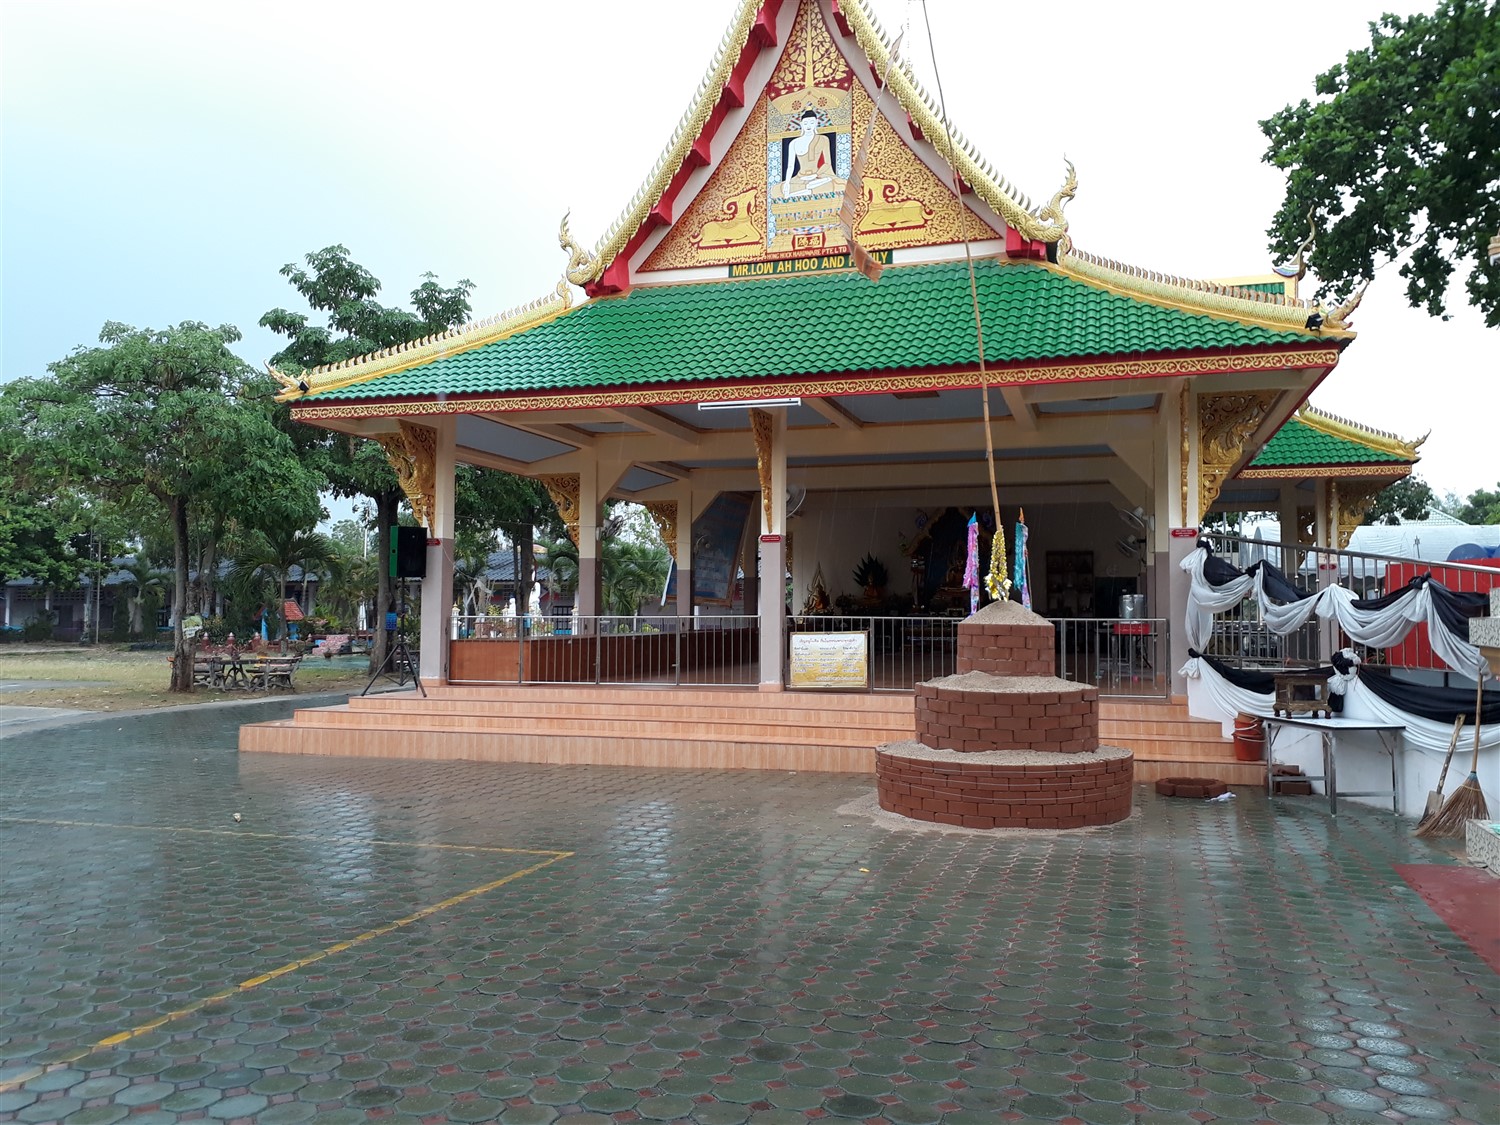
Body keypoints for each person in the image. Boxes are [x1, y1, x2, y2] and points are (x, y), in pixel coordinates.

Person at [782, 109, 835, 198]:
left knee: (834, 184)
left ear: (816, 122)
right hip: (800, 178)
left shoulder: (823, 139)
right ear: (801, 124)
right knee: (776, 189)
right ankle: (806, 189)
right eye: (806, 123)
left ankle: (804, 190)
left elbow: (827, 163)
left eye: (811, 122)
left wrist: (815, 175)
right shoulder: (794, 143)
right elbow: (790, 166)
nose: (808, 126)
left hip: (818, 177)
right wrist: (787, 183)